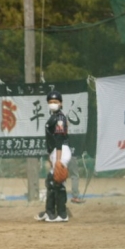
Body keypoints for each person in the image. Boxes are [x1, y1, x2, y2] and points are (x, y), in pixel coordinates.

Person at [34, 91, 71, 222]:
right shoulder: (54, 116)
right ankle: (49, 212)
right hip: (55, 151)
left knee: (58, 182)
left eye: (55, 102)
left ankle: (62, 214)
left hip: (61, 150)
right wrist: (51, 157)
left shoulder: (60, 118)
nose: (52, 104)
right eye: (50, 102)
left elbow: (59, 139)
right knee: (51, 181)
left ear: (61, 103)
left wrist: (58, 160)